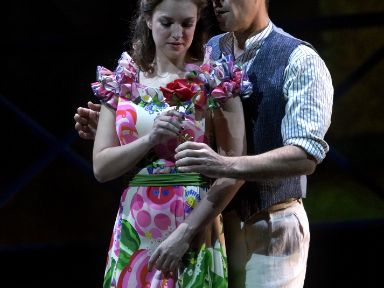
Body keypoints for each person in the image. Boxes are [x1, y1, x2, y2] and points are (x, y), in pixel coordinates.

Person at [75, 0, 333, 287]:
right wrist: (120, 127)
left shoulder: (298, 58)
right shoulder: (212, 50)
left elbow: (305, 155)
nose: (217, 2)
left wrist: (224, 164)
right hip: (214, 219)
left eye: (187, 23)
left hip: (269, 219)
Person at [83, 0, 247, 287]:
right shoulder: (123, 81)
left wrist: (185, 234)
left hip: (192, 221)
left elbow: (233, 170)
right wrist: (150, 139)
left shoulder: (215, 80)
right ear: (148, 20)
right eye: (167, 22)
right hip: (137, 221)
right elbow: (102, 167)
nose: (178, 33)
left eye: (187, 24)